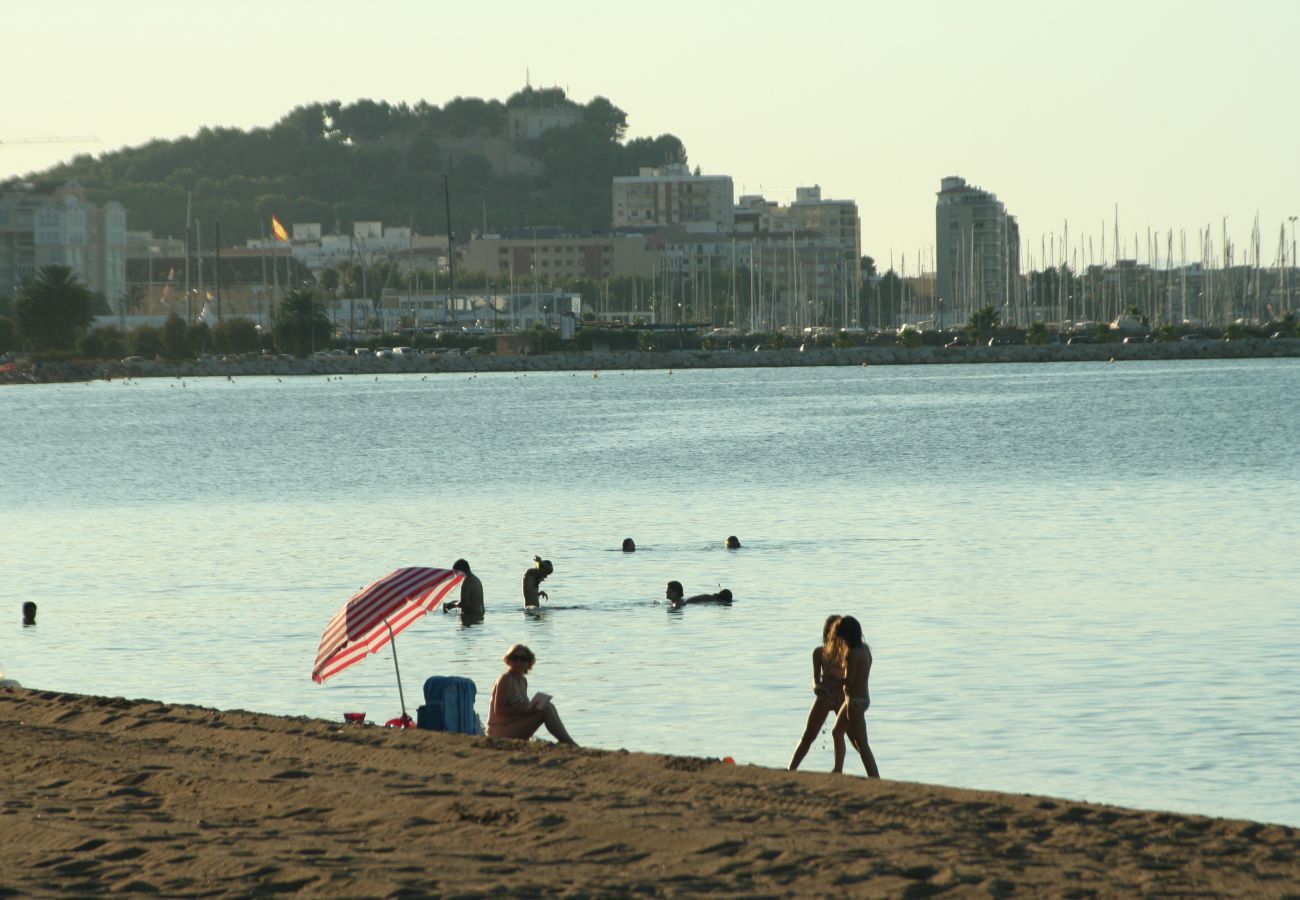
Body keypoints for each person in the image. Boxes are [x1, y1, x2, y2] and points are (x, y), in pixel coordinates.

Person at [788, 615, 859, 770]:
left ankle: (849, 770)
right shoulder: (819, 653)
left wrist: (836, 685)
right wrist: (817, 687)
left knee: (855, 738)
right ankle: (791, 769)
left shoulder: (847, 654)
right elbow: (815, 678)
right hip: (825, 697)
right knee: (808, 736)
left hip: (841, 698)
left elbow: (850, 679)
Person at [486, 644, 577, 745]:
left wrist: (530, 708)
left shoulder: (522, 681)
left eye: (523, 659)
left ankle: (568, 741)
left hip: (514, 724)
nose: (518, 662)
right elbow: (499, 710)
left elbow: (522, 708)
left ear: (529, 663)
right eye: (514, 658)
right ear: (508, 660)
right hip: (499, 730)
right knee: (545, 710)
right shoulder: (506, 679)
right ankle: (570, 743)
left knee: (549, 706)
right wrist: (526, 710)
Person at [828, 615, 880, 778]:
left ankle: (875, 777)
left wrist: (834, 681)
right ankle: (838, 769)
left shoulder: (852, 655)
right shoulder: (865, 650)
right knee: (837, 731)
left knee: (862, 743)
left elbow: (849, 683)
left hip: (854, 701)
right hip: (862, 699)